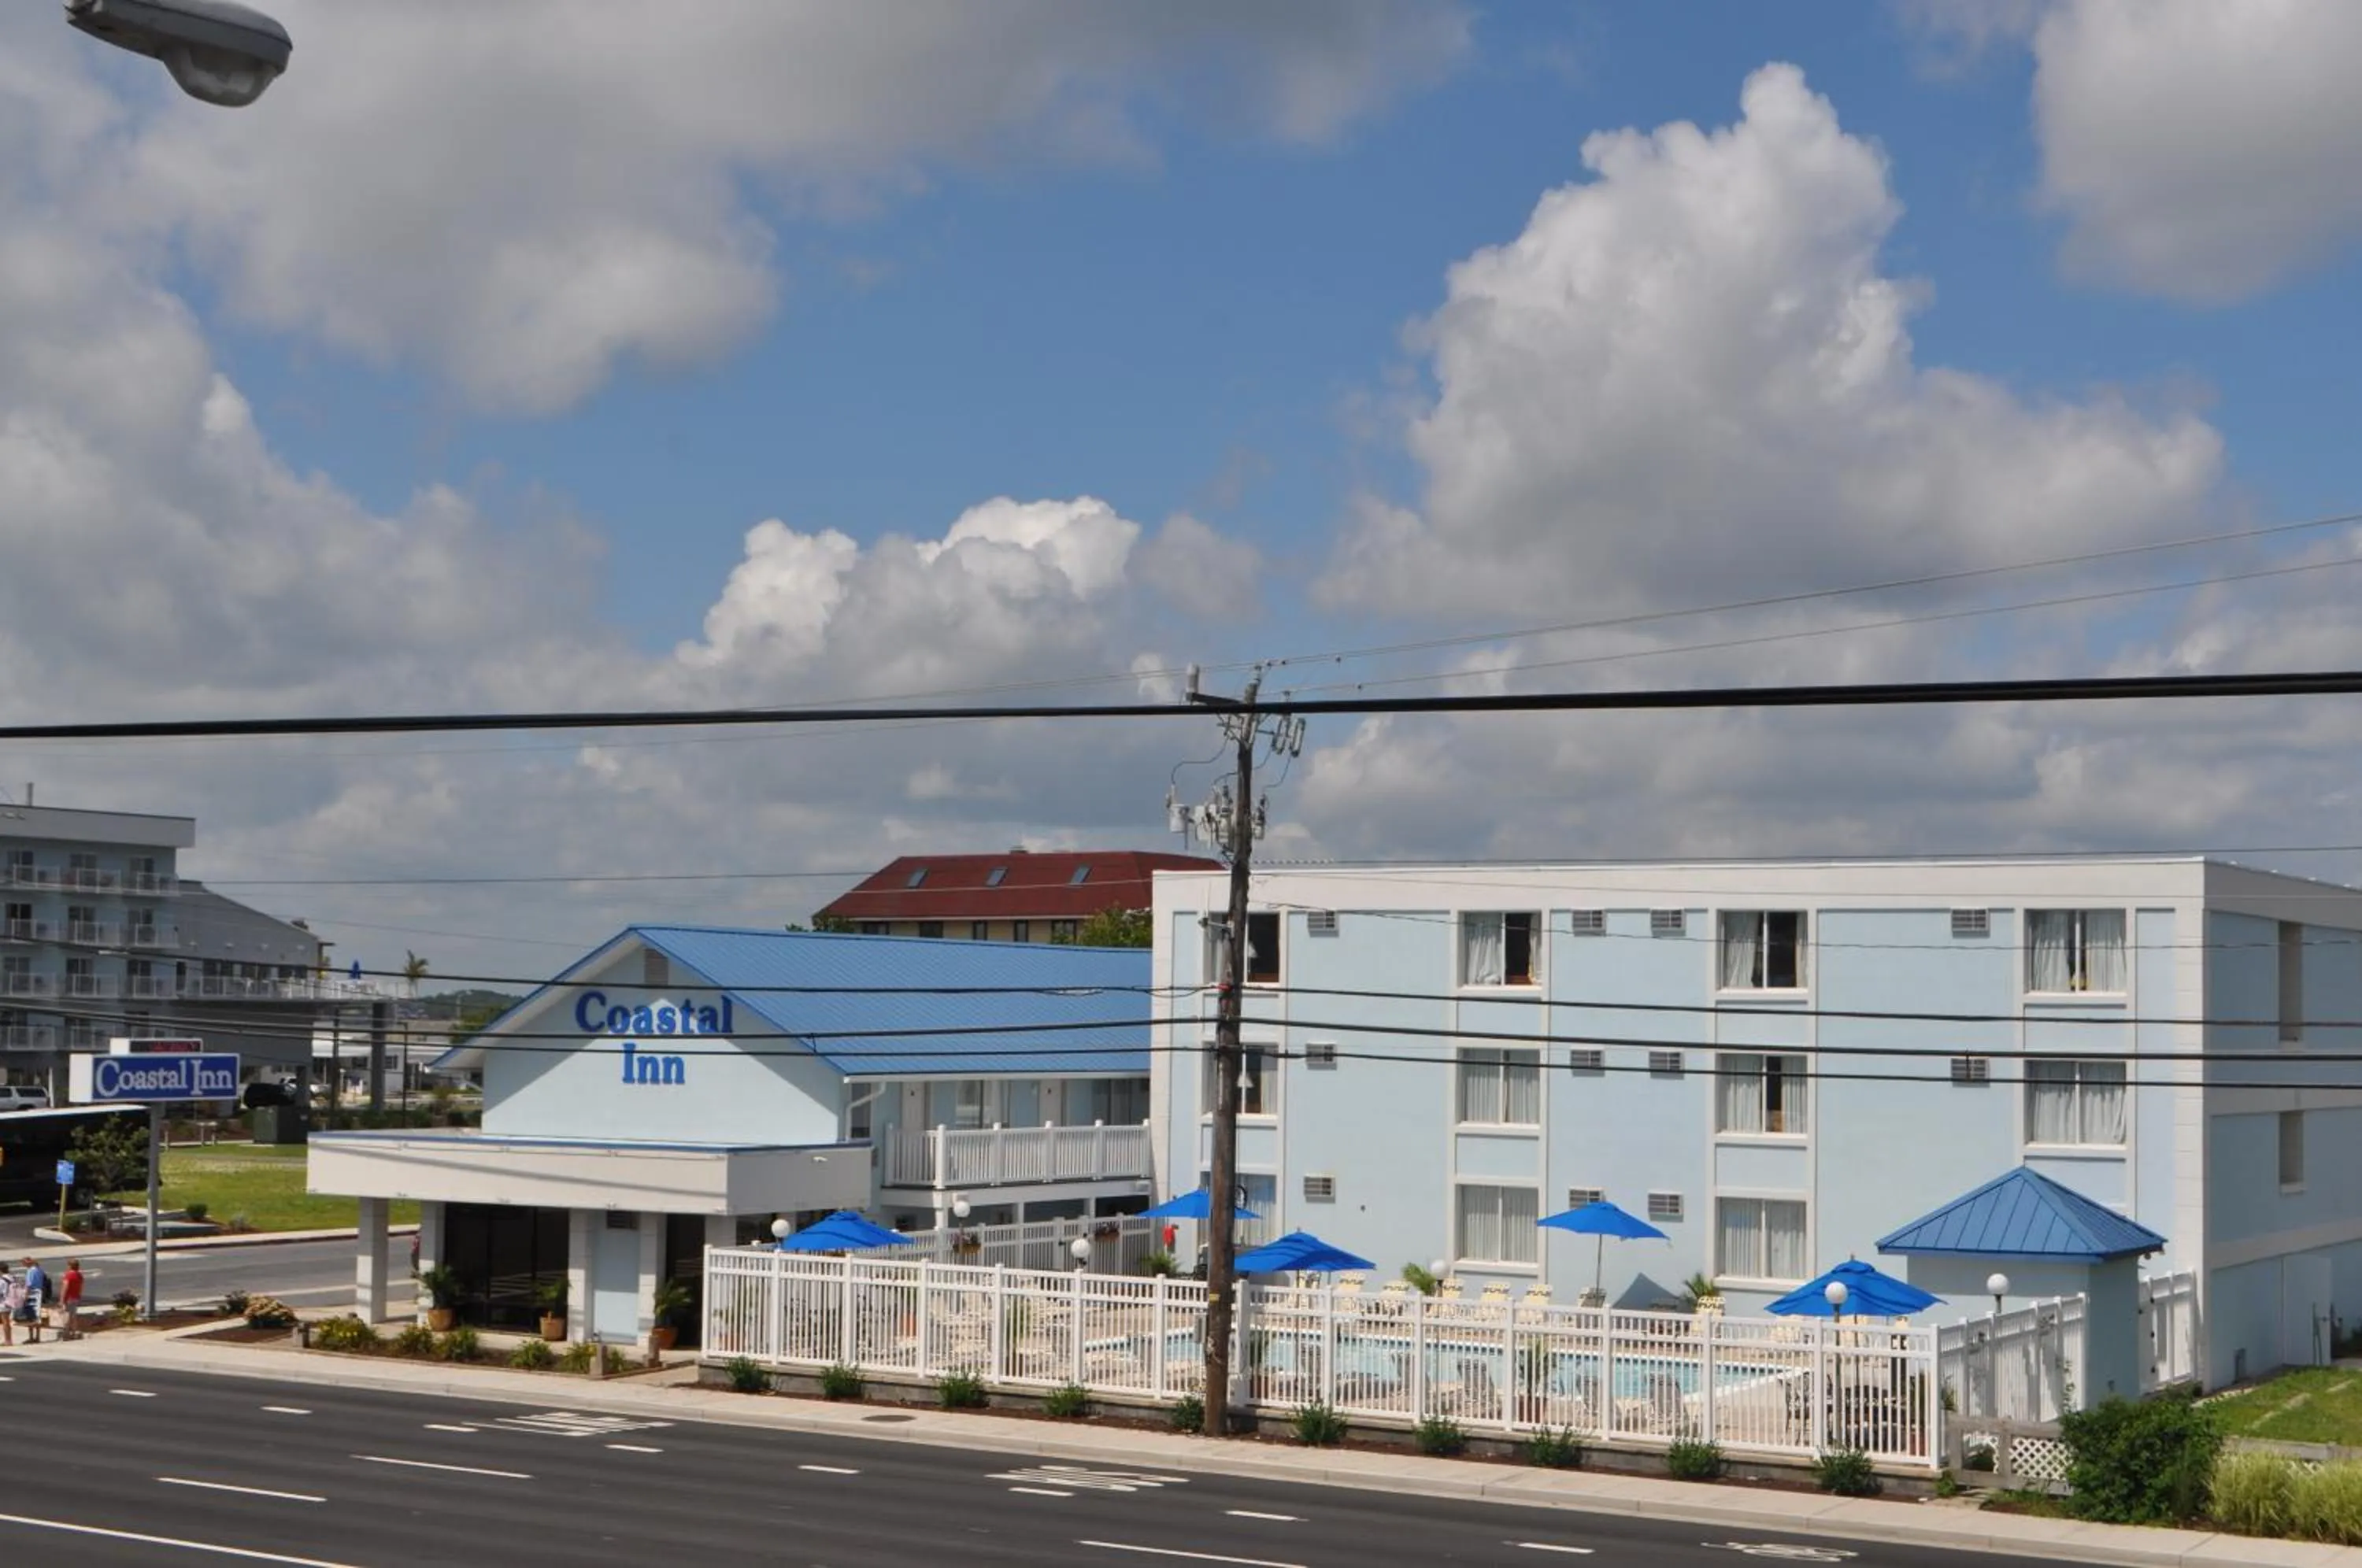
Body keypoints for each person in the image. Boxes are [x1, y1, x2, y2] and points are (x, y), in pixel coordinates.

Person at [18, 1258, 44, 1344]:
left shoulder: (30, 1271)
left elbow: (29, 1285)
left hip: (32, 1293)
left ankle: (31, 1337)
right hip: (39, 1293)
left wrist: (25, 1296)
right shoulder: (39, 1270)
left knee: (30, 1315)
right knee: (37, 1315)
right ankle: (38, 1336)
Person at [58, 1260, 83, 1341]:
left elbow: (65, 1286)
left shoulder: (68, 1275)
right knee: (73, 1315)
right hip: (76, 1297)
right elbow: (81, 1287)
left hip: (68, 1298)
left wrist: (61, 1299)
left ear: (70, 1266)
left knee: (67, 1315)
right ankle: (73, 1332)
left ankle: (66, 1333)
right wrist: (79, 1295)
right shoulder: (79, 1275)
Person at [0, 1264, 17, 1348]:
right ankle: (8, 1339)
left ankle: (8, 1340)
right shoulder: (12, 1278)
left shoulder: (2, 1280)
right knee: (7, 1322)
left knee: (5, 1322)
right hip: (12, 1301)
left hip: (4, 1303)